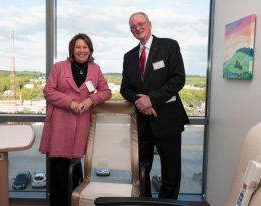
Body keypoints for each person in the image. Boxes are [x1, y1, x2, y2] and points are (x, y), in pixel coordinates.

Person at [120, 12, 190, 199]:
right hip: (143, 122)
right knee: (141, 169)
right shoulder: (129, 57)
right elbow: (125, 88)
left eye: (141, 24)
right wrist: (141, 102)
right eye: (133, 27)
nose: (137, 28)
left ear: (149, 24)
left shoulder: (169, 46)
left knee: (171, 171)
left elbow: (178, 80)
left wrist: (151, 100)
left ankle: (167, 204)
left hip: (167, 120)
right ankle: (145, 203)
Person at [40, 33, 111, 206]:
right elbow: (48, 91)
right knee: (58, 169)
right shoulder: (59, 67)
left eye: (85, 47)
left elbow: (106, 91)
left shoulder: (95, 69)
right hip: (60, 123)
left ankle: (75, 202)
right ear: (72, 49)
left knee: (76, 168)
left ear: (90, 50)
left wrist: (90, 100)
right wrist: (70, 103)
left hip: (81, 124)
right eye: (78, 47)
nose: (81, 50)